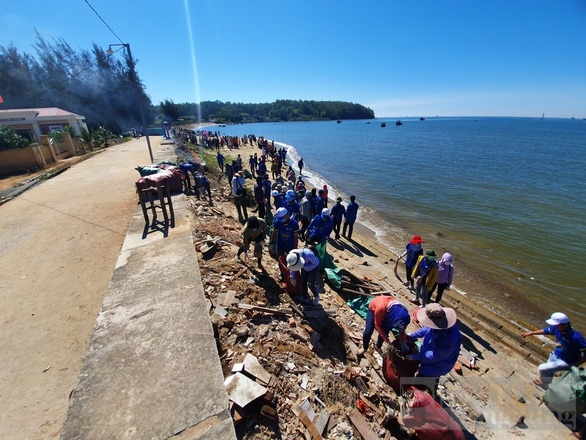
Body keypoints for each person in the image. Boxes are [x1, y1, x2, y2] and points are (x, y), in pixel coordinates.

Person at [406, 303, 461, 396]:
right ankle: (432, 393)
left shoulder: (451, 338)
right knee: (433, 379)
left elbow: (435, 356)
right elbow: (426, 330)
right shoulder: (437, 322)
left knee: (421, 380)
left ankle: (418, 400)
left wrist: (416, 357)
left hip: (439, 364)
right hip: (429, 356)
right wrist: (411, 336)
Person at [521, 312, 586, 388]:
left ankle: (544, 382)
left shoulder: (576, 337)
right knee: (549, 371)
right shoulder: (556, 328)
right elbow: (546, 331)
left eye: (556, 325)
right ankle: (547, 385)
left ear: (564, 325)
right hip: (555, 354)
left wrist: (576, 364)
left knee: (542, 368)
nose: (554, 326)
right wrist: (531, 333)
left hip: (567, 361)